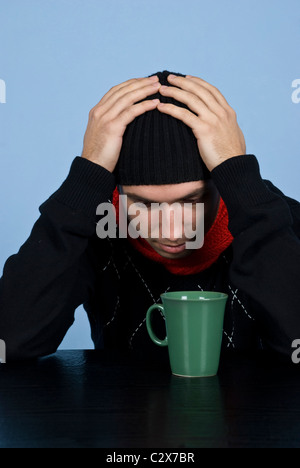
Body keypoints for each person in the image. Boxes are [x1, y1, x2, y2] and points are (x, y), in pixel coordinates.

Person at [0, 70, 299, 362]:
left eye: (191, 201)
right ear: (118, 193)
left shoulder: (272, 221)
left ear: (223, 184)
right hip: (121, 412)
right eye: (143, 205)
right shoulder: (95, 225)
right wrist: (86, 177)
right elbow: (9, 341)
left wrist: (241, 179)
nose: (171, 231)